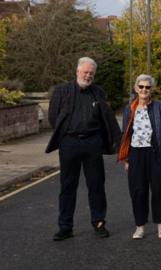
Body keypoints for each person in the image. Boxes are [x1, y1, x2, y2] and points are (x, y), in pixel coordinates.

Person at [47, 57, 121, 241]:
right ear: (77, 71)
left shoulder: (98, 93)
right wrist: (64, 137)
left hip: (92, 143)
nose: (88, 76)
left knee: (96, 185)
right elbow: (53, 117)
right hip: (69, 143)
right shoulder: (61, 91)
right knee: (67, 186)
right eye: (85, 72)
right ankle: (65, 227)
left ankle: (99, 223)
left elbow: (106, 119)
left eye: (91, 73)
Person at [118, 74, 161, 239]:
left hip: (156, 153)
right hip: (136, 154)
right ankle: (140, 226)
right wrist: (126, 158)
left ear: (151, 89)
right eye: (141, 87)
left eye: (147, 87)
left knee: (157, 190)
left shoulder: (159, 107)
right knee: (138, 191)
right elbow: (126, 135)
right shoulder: (129, 109)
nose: (144, 90)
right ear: (136, 88)